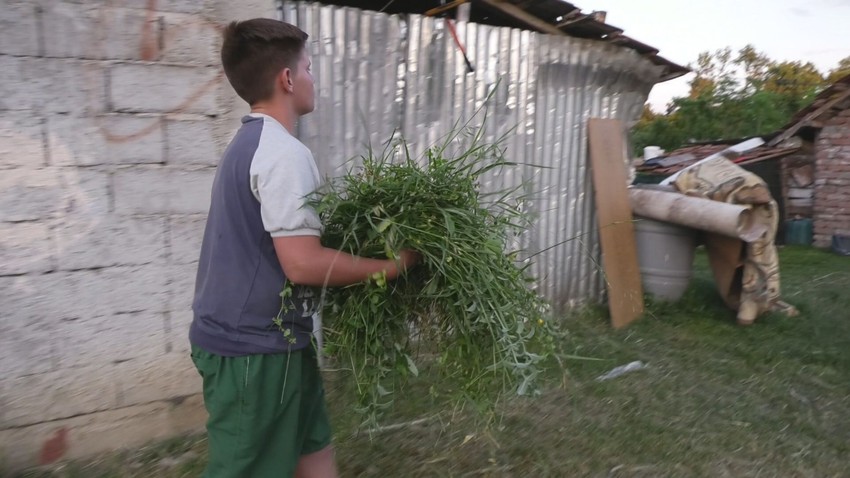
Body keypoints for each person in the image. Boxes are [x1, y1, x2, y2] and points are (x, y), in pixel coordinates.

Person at [189, 18, 417, 478]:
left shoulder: (249, 144)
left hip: (283, 341)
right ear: (288, 79)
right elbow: (302, 263)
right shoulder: (282, 154)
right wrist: (392, 267)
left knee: (314, 456)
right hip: (252, 352)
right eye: (308, 68)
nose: (313, 79)